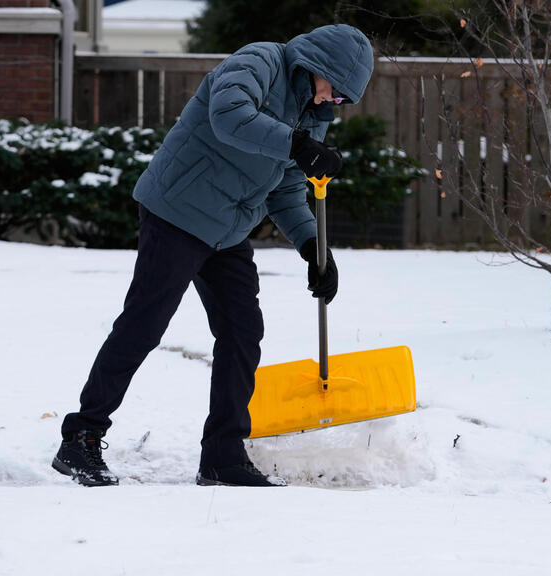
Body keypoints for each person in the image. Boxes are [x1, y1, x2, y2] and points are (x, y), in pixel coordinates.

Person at [52, 24, 374, 487]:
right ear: (320, 68)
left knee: (243, 330)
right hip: (177, 210)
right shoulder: (260, 60)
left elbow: (285, 186)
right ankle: (80, 437)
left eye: (343, 101)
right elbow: (230, 115)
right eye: (337, 93)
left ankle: (223, 457)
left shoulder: (312, 112)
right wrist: (297, 144)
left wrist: (312, 247)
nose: (333, 103)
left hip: (227, 229)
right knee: (145, 323)